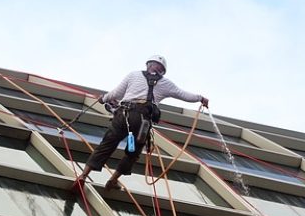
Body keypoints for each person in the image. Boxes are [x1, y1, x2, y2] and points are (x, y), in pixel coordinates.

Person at [72, 55, 208, 190]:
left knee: (106, 145)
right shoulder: (165, 83)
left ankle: (83, 175)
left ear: (148, 65)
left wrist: (103, 99)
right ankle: (113, 180)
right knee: (133, 153)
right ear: (162, 70)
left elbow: (116, 93)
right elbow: (183, 94)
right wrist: (200, 98)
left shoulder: (134, 75)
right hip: (142, 121)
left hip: (123, 115)